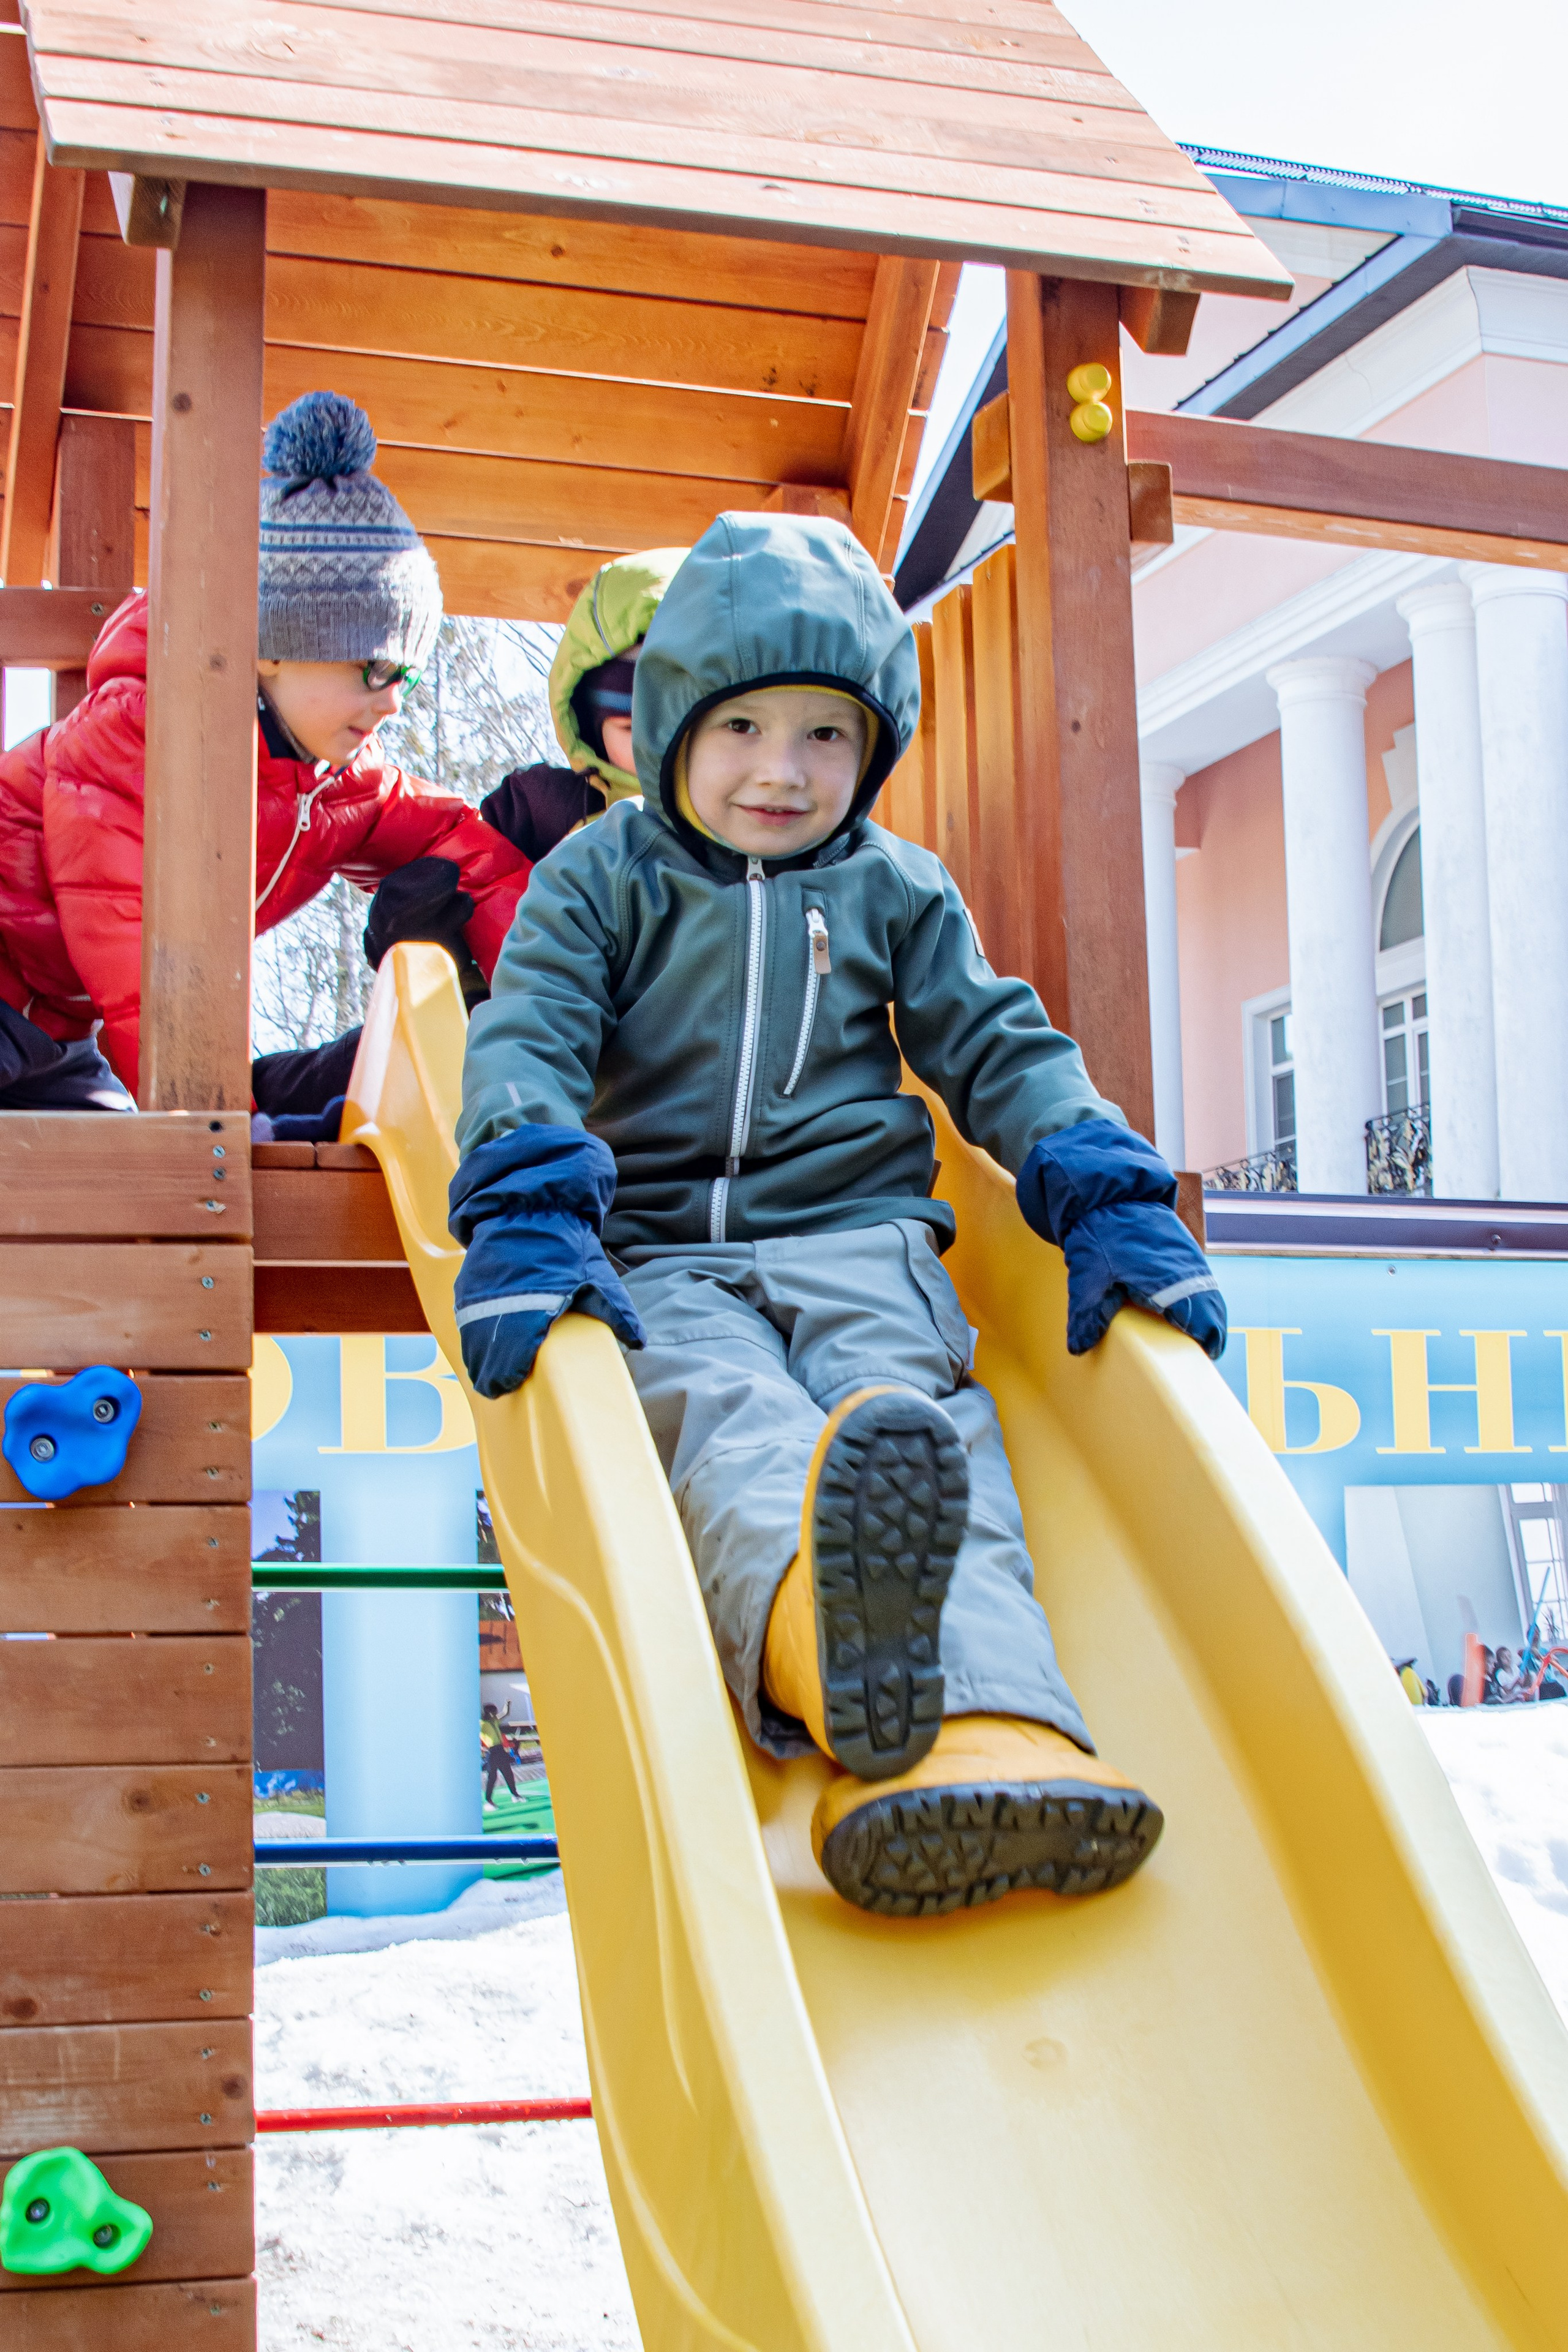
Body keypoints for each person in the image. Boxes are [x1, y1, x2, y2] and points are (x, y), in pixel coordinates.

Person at [443, 513, 1226, 1919]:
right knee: (729, 1421)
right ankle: (826, 1642)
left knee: (916, 1432)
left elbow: (998, 1045)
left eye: (824, 734)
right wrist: (527, 1201)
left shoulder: (894, 889)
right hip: (661, 1257)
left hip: (862, 1240)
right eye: (741, 726)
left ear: (872, 748)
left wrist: (1104, 1188)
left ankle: (995, 1729)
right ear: (670, 724)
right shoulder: (599, 880)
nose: (780, 770)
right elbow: (531, 1034)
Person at [0, 391, 532, 1120]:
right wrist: (219, 1120)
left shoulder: (342, 785)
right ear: (274, 647)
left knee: (118, 1177)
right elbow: (134, 953)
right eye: (375, 670)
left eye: (406, 680)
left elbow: (467, 853)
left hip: (54, 1034)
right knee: (144, 1159)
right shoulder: (138, 741)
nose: (393, 704)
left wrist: (546, 1001)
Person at [478, 548, 684, 864]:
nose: (657, 747)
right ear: (593, 729)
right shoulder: (547, 813)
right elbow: (473, 865)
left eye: (680, 726)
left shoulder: (751, 825)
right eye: (631, 728)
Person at [480, 1702, 519, 1803]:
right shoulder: (482, 1724)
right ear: (488, 1713)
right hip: (492, 1751)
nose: (496, 1714)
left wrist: (507, 1705)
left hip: (500, 1749)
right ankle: (488, 1800)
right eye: (494, 1712)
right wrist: (481, 1747)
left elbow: (505, 1713)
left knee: (508, 1773)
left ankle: (515, 1795)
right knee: (492, 1777)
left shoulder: (495, 1721)